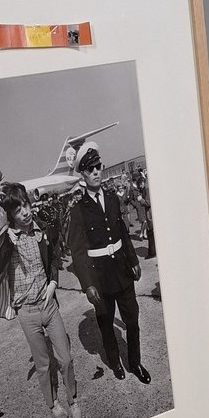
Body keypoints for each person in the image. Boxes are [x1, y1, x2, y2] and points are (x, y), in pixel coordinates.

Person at [0, 182, 82, 418]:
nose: (26, 212)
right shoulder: (5, 239)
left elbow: (53, 256)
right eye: (18, 210)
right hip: (27, 313)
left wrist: (53, 282)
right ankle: (53, 403)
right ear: (10, 215)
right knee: (43, 364)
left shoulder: (42, 228)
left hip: (49, 306)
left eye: (26, 205)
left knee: (65, 358)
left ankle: (73, 399)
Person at [67, 145, 151, 384]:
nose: (96, 172)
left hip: (122, 272)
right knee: (106, 325)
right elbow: (77, 252)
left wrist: (133, 260)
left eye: (98, 166)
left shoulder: (113, 199)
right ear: (83, 174)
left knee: (132, 320)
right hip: (100, 279)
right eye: (90, 169)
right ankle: (115, 362)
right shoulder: (79, 210)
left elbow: (123, 233)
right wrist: (88, 285)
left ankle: (135, 363)